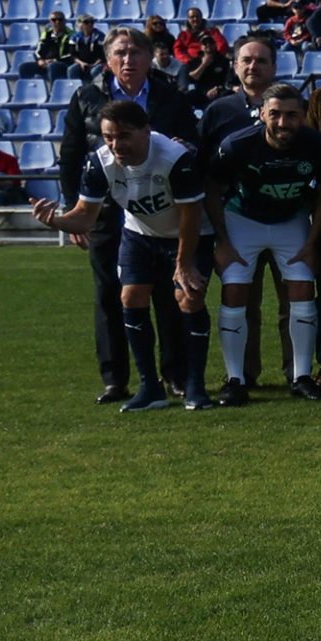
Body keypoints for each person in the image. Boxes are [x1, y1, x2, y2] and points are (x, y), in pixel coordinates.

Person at [34, 100, 214, 412]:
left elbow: (191, 216)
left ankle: (195, 385)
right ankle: (149, 387)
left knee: (189, 298)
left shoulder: (175, 159)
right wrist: (57, 221)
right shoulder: (100, 162)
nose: (117, 144)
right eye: (109, 137)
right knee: (130, 297)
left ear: (146, 130)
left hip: (186, 235)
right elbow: (85, 217)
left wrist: (183, 264)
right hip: (140, 234)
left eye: (124, 135)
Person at [59, 28, 200, 402]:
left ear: (149, 56)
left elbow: (192, 141)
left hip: (159, 211)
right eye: (120, 52)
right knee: (110, 293)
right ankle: (115, 378)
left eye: (136, 51)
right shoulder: (86, 96)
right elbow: (71, 153)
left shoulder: (170, 95)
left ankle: (175, 375)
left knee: (169, 296)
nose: (129, 59)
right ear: (107, 60)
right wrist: (74, 208)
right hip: (106, 210)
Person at [207, 85, 321, 402]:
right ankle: (235, 379)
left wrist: (312, 242)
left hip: (291, 221)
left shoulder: (318, 145)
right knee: (235, 290)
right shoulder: (237, 145)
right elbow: (211, 187)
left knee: (302, 288)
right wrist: (222, 241)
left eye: (291, 115)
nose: (282, 122)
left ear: (303, 116)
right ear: (262, 113)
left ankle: (302, 377)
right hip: (242, 220)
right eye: (275, 114)